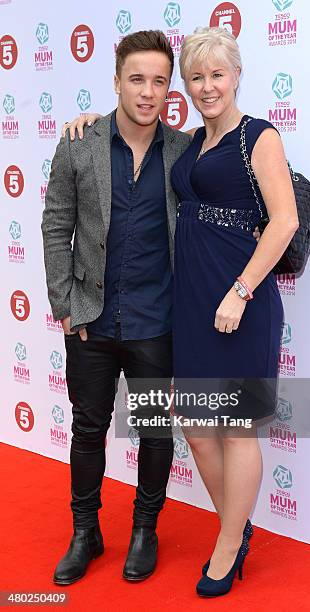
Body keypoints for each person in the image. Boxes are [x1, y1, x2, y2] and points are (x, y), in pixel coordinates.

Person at [63, 26, 297, 597]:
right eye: (196, 77)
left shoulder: (257, 138)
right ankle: (235, 526)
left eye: (217, 74)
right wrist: (87, 124)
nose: (207, 85)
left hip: (239, 301)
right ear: (184, 87)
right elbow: (129, 122)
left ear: (236, 74)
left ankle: (226, 543)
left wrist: (239, 293)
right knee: (196, 429)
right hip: (190, 306)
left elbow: (285, 221)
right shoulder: (190, 142)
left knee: (237, 430)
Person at [41, 30, 191, 585]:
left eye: (159, 81)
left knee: (154, 431)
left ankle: (145, 530)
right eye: (137, 79)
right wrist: (64, 303)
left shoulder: (184, 151)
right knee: (88, 429)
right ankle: (86, 532)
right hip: (91, 321)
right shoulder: (79, 143)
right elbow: (56, 225)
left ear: (168, 89)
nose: (148, 92)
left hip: (157, 320)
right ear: (117, 81)